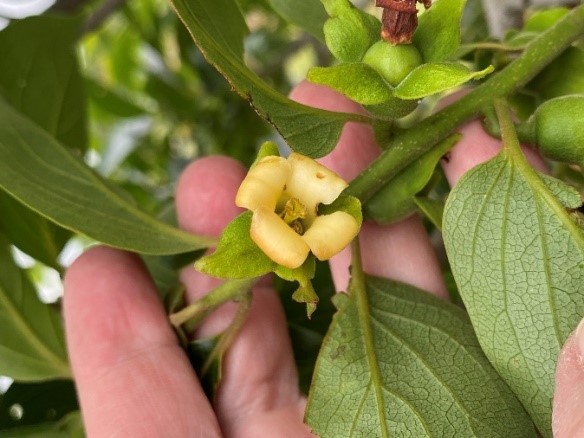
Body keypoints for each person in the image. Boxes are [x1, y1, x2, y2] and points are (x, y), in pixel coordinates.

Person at [63, 82, 584, 437]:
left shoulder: (301, 209)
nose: (291, 214)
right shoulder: (302, 217)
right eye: (288, 217)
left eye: (290, 214)